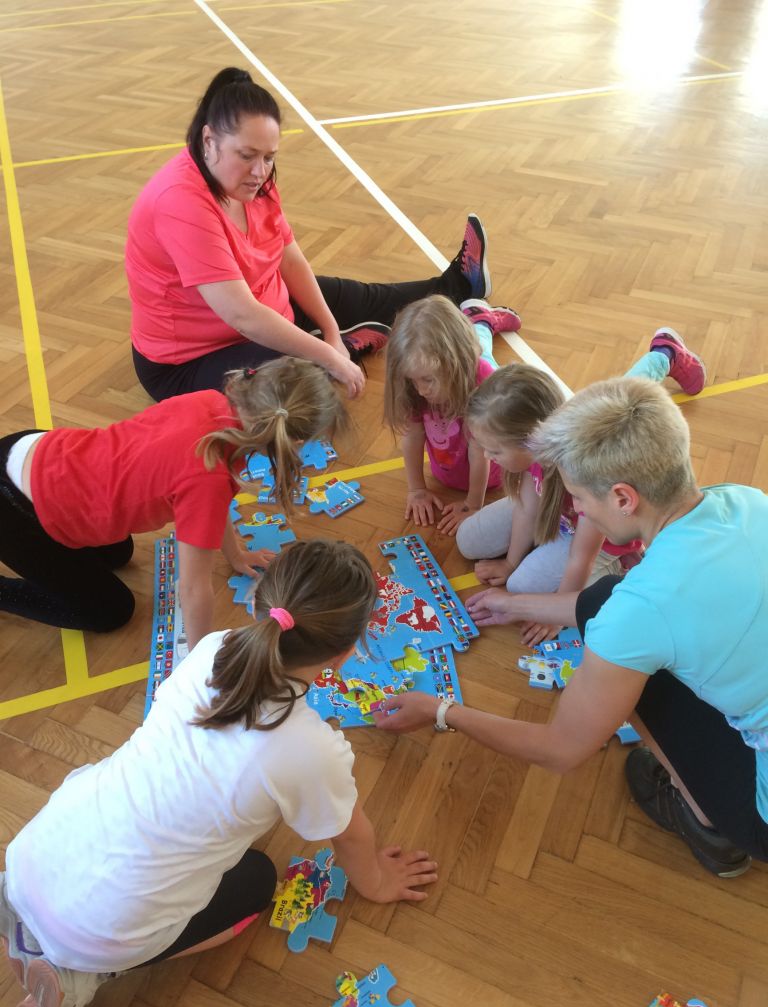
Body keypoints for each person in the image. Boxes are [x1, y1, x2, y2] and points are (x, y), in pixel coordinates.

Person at [0, 540, 438, 1007]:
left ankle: (21, 914)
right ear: (346, 652)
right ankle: (86, 973)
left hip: (31, 856)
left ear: (258, 605)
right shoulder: (312, 751)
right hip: (101, 933)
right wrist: (377, 883)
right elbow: (351, 836)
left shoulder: (212, 647)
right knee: (258, 880)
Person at [375, 372, 768, 880]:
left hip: (762, 818)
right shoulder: (745, 500)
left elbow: (561, 749)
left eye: (579, 496)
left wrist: (441, 709)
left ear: (623, 498)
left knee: (631, 676)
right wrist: (520, 604)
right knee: (607, 603)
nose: (575, 508)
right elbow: (617, 604)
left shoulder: (639, 612)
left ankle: (709, 825)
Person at [126, 66, 492, 404]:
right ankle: (340, 349)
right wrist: (330, 357)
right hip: (192, 360)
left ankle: (458, 285)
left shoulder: (255, 180)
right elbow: (243, 316)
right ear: (209, 140)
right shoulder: (180, 202)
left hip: (268, 306)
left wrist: (330, 330)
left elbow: (289, 259)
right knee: (299, 386)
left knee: (363, 297)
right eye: (247, 155)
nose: (259, 171)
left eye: (269, 157)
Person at [0, 357, 346, 648]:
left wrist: (236, 555)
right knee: (110, 611)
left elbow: (212, 503)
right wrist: (198, 661)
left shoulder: (212, 403)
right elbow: (193, 588)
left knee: (118, 553)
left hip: (35, 451)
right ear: (295, 442)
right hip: (15, 512)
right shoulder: (208, 476)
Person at [456, 326, 704, 645]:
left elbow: (581, 556)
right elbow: (528, 507)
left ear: (531, 439)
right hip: (565, 519)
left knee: (522, 586)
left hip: (597, 539)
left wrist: (559, 613)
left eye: (495, 450)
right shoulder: (544, 449)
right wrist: (511, 561)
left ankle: (666, 354)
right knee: (469, 541)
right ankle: (663, 353)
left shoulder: (588, 474)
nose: (487, 457)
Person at [383, 295, 521, 536]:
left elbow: (479, 451)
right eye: (412, 380)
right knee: (480, 354)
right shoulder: (415, 387)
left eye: (427, 380)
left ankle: (482, 320)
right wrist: (416, 490)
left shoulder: (482, 381)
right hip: (449, 472)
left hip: (491, 475)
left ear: (455, 365)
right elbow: (413, 436)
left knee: (485, 357)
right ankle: (477, 321)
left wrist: (473, 505)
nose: (421, 390)